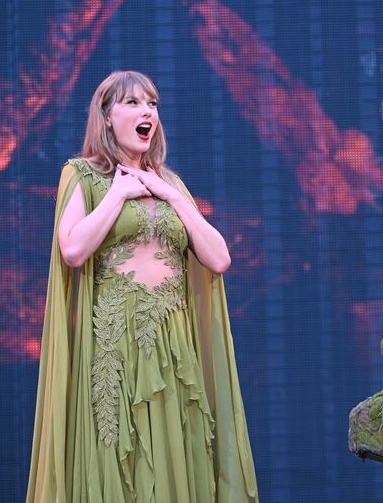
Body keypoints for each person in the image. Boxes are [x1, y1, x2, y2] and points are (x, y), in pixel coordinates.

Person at [26, 71, 258, 502]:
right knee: (118, 461)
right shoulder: (82, 175)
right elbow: (73, 250)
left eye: (152, 104)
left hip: (173, 350)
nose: (146, 111)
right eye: (132, 103)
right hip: (115, 347)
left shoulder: (170, 184)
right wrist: (117, 194)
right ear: (107, 117)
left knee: (180, 453)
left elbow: (219, 257)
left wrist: (169, 197)